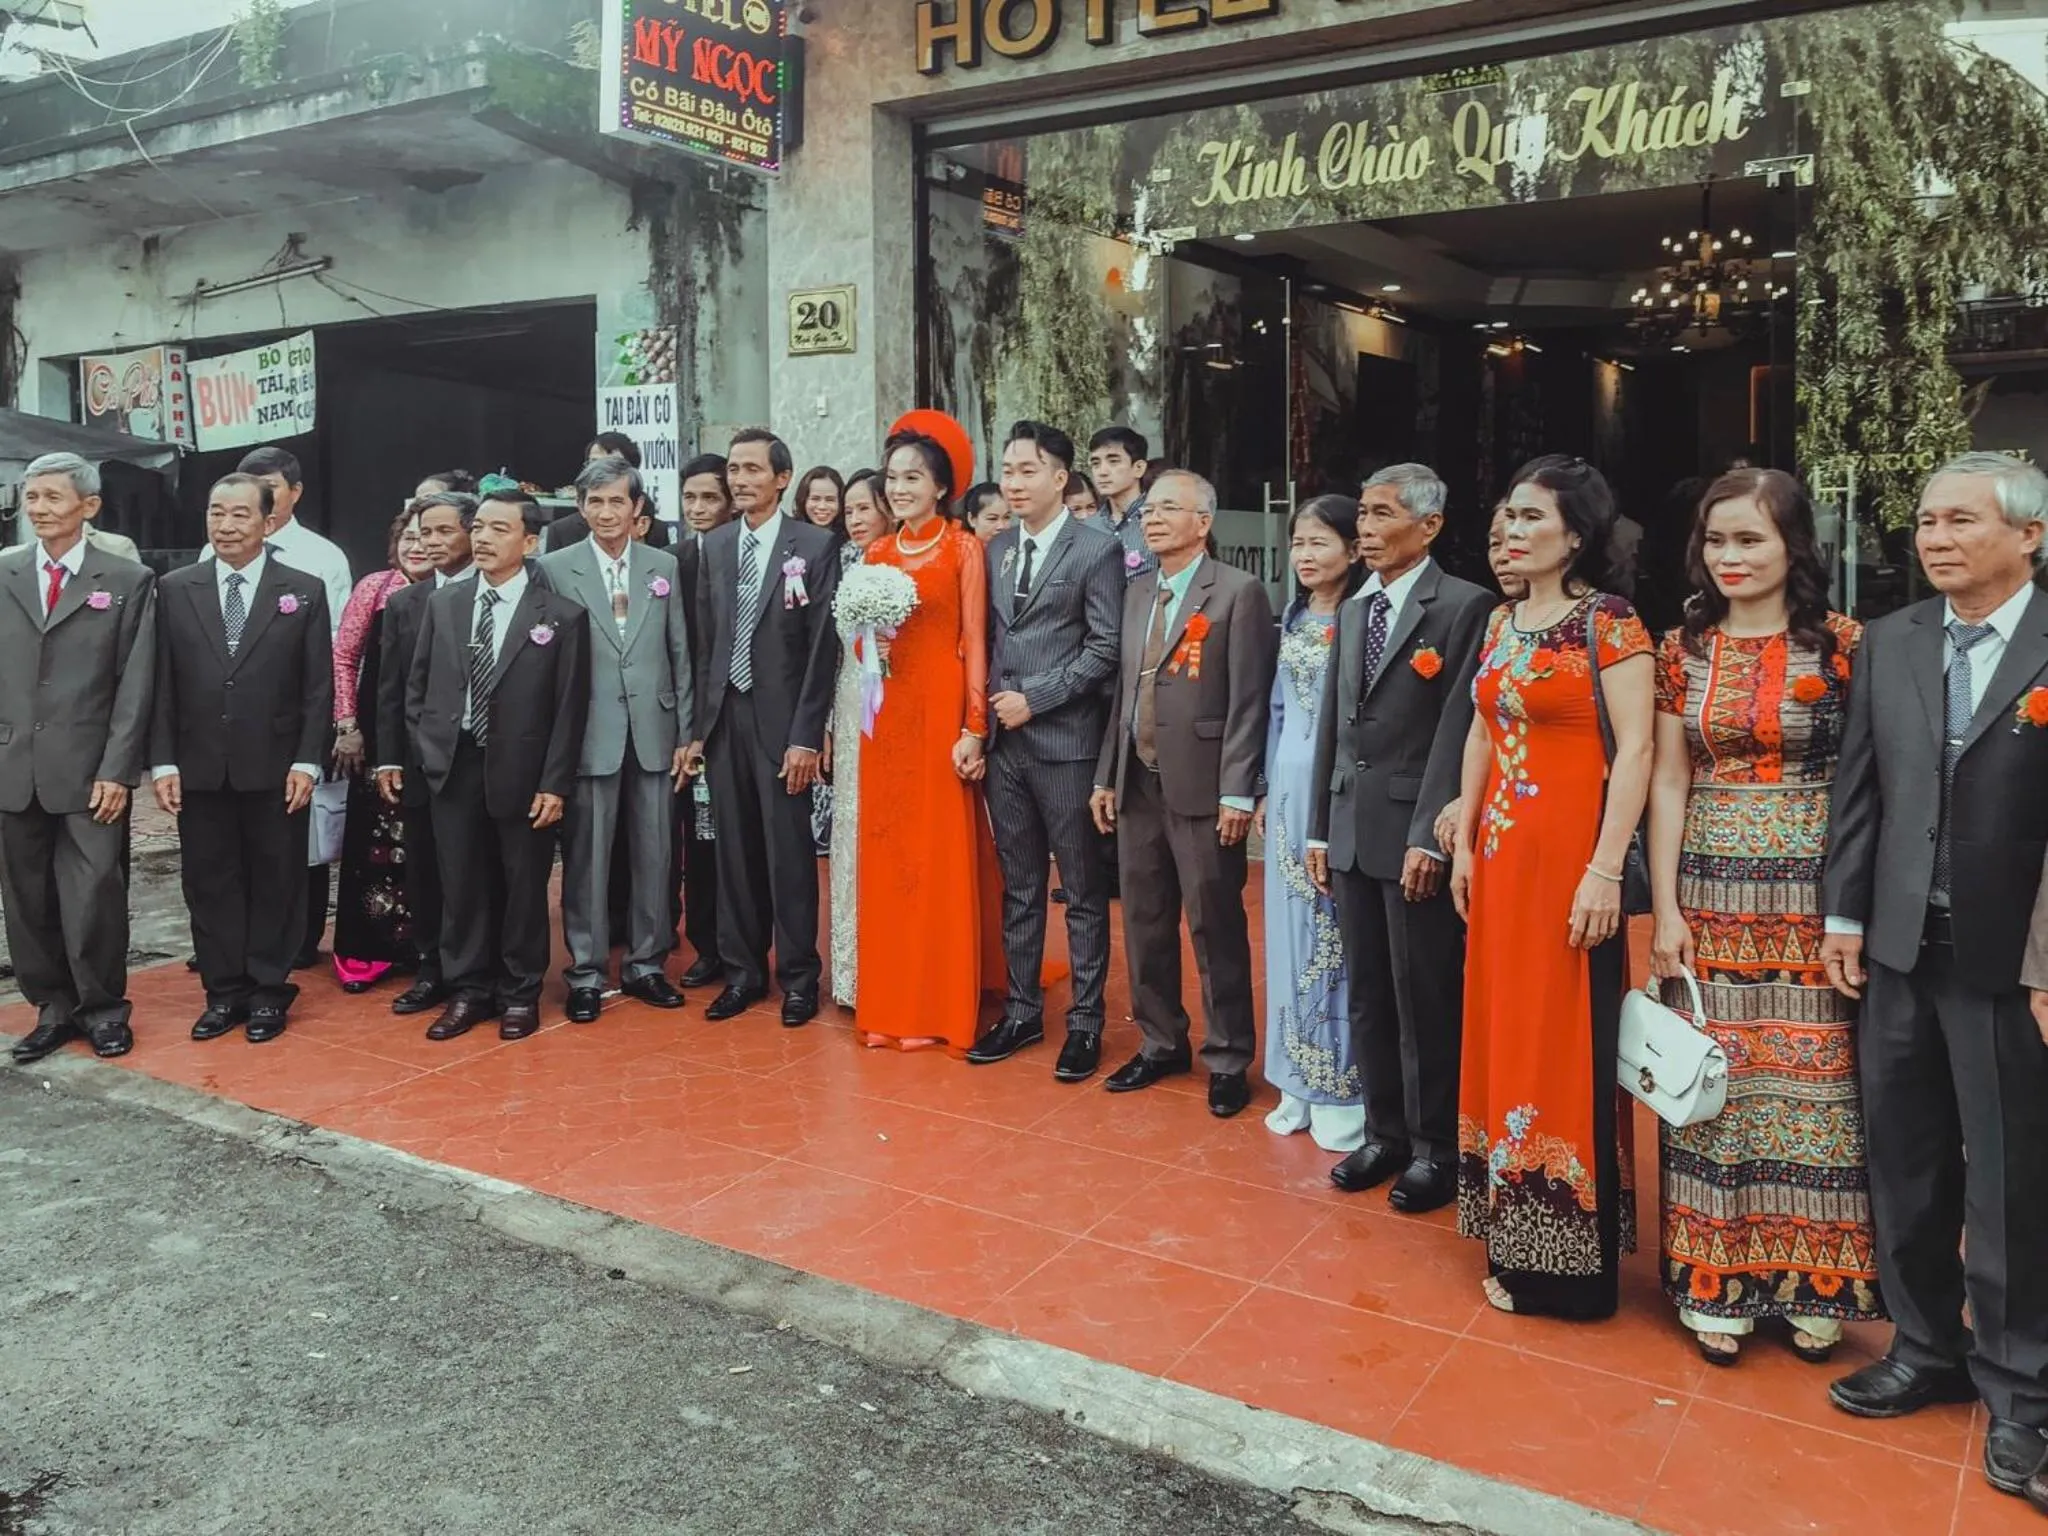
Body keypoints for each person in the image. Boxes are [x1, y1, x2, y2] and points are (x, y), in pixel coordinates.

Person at [1820, 451, 2048, 1499]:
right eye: (1923, 521)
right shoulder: (1891, 642)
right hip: (1899, 948)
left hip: (2010, 961)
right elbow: (1859, 789)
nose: (1935, 538)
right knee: (1901, 1156)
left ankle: (2020, 1391)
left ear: (2026, 535)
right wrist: (1843, 916)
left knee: (2007, 1180)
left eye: (1959, 520)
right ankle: (1923, 1347)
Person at [1642, 467, 1879, 1367]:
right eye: (1716, 540)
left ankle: (1816, 1282)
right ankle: (1718, 1284)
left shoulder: (1846, 644)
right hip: (1707, 887)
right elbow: (1669, 778)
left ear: (1793, 547)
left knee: (1817, 1087)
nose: (1730, 558)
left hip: (1814, 892)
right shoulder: (1682, 649)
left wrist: (1849, 909)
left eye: (1751, 539)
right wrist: (1664, 907)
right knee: (1714, 1087)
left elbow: (1869, 786)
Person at [1448, 454, 1652, 1321]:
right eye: (1507, 516)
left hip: (1570, 863)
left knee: (1561, 1040)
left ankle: (1567, 1266)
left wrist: (1605, 868)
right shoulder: (1501, 621)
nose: (1513, 530)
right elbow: (1482, 731)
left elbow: (1637, 750)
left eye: (1532, 518)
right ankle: (1513, 1231)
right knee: (1505, 1032)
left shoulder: (1609, 622)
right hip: (1500, 862)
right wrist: (1462, 832)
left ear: (1576, 535)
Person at [1306, 468, 1496, 1189]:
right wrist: (1322, 827)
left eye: (1382, 514)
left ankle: (1435, 1148)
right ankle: (1383, 1132)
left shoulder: (1464, 606)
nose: (1365, 527)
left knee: (1425, 995)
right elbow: (1333, 720)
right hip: (1353, 824)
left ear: (1431, 525)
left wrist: (1431, 834)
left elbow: (1459, 729)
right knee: (1367, 991)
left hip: (1414, 832)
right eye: (1362, 511)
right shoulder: (1355, 607)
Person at [1091, 470, 1276, 1115]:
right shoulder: (1137, 591)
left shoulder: (1237, 592)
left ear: (1204, 523)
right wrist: (1105, 777)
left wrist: (1238, 790)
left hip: (1203, 782)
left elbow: (1250, 700)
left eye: (1171, 508)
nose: (1154, 517)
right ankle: (1160, 1039)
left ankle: (1228, 1055)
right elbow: (1124, 694)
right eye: (1150, 509)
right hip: (1137, 780)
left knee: (1213, 921)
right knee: (1142, 920)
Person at [403, 490, 590, 1042]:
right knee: (461, 885)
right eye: (478, 526)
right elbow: (418, 687)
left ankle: (519, 992)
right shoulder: (446, 603)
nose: (482, 538)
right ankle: (469, 990)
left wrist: (555, 783)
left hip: (525, 770)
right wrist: (430, 747)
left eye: (499, 529)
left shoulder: (559, 616)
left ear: (530, 542)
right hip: (455, 763)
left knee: (522, 886)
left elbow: (569, 707)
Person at [152, 474, 333, 1044]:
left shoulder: (302, 589)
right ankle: (223, 992)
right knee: (209, 882)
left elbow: (317, 687)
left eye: (239, 515)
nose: (225, 525)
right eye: (215, 513)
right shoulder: (178, 587)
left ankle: (268, 992)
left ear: (268, 520)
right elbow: (160, 682)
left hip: (277, 767)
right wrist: (163, 762)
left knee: (275, 880)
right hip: (199, 764)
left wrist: (308, 761)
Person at [968, 422, 1123, 1079]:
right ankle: (1024, 1011)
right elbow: (988, 642)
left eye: (1027, 470)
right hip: (1006, 748)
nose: (1012, 481)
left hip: (1066, 744)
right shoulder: (996, 548)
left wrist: (1038, 696)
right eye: (1006, 469)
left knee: (1083, 890)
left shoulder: (1097, 550)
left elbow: (1106, 646)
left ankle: (1085, 1023)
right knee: (1020, 886)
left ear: (1060, 479)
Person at [0, 453, 157, 1066]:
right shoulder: (6, 574)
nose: (38, 509)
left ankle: (103, 1010)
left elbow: (135, 684)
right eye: (31, 497)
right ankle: (51, 1008)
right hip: (15, 765)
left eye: (52, 498)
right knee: (26, 897)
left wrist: (119, 769)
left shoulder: (124, 580)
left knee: (95, 892)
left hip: (91, 770)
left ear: (89, 507)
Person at [684, 428, 841, 1026]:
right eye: (734, 469)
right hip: (726, 717)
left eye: (753, 469)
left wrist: (806, 735)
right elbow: (706, 643)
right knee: (733, 853)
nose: (740, 480)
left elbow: (823, 646)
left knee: (789, 855)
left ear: (781, 478)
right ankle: (743, 972)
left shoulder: (814, 545)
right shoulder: (717, 545)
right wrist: (699, 728)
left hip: (783, 722)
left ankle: (799, 977)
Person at [851, 418, 998, 1052]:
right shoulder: (876, 553)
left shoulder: (962, 548)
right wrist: (867, 642)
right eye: (893, 478)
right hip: (886, 715)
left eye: (914, 477)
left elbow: (974, 639)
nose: (901, 487)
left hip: (941, 708)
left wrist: (974, 725)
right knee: (889, 854)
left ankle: (936, 1002)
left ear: (941, 487)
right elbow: (859, 641)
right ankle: (888, 1000)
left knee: (936, 855)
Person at [539, 457, 693, 1021]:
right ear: (581, 508)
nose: (607, 513)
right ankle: (585, 971)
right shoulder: (555, 568)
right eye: (596, 502)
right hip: (588, 733)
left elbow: (680, 652)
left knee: (656, 854)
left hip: (654, 730)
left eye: (617, 502)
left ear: (637, 509)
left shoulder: (663, 567)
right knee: (587, 858)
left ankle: (647, 965)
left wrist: (687, 731)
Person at [1250, 496, 1369, 1150]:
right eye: (1298, 543)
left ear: (1354, 551)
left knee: (1334, 938)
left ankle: (1340, 1089)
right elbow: (1275, 712)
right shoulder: (1294, 616)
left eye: (1320, 543)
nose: (1304, 555)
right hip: (1290, 793)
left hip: (1335, 793)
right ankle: (1295, 1079)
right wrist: (1265, 788)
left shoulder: (1361, 619)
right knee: (1289, 938)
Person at [221, 446, 353, 973]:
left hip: (296, 714)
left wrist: (335, 721)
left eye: (270, 489)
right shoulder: (219, 551)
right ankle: (240, 939)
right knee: (236, 837)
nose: (257, 501)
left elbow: (337, 644)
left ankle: (300, 937)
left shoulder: (322, 557)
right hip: (231, 723)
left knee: (302, 832)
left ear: (293, 493)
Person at [373, 492, 478, 1016]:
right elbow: (389, 689)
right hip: (419, 761)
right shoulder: (404, 604)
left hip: (480, 757)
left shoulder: (495, 593)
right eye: (421, 534)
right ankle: (431, 968)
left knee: (473, 872)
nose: (430, 543)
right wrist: (388, 758)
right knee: (426, 871)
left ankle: (476, 976)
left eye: (442, 532)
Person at [328, 505, 435, 992]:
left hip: (433, 735)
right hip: (377, 733)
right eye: (407, 536)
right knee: (374, 846)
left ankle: (427, 947)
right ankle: (368, 951)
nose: (416, 545)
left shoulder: (454, 589)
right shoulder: (375, 587)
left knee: (428, 847)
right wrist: (347, 723)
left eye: (426, 536)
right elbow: (345, 659)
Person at [823, 469, 890, 1008]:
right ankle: (853, 972)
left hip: (890, 704)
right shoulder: (843, 564)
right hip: (849, 705)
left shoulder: (901, 565)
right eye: (849, 511)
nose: (855, 519)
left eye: (864, 508)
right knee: (849, 829)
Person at [672, 454, 732, 988]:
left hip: (730, 721)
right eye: (689, 497)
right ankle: (706, 944)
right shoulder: (671, 563)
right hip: (682, 725)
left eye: (709, 497)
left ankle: (740, 945)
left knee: (734, 840)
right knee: (698, 838)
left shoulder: (743, 557)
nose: (698, 508)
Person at [1088, 427, 1154, 579]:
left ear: (1138, 468)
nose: (1102, 471)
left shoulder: (1158, 520)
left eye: (1113, 462)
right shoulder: (1088, 528)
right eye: (1095, 463)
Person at [795, 466, 847, 536]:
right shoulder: (787, 534)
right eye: (815, 499)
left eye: (830, 500)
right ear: (803, 500)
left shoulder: (852, 539)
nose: (822, 507)